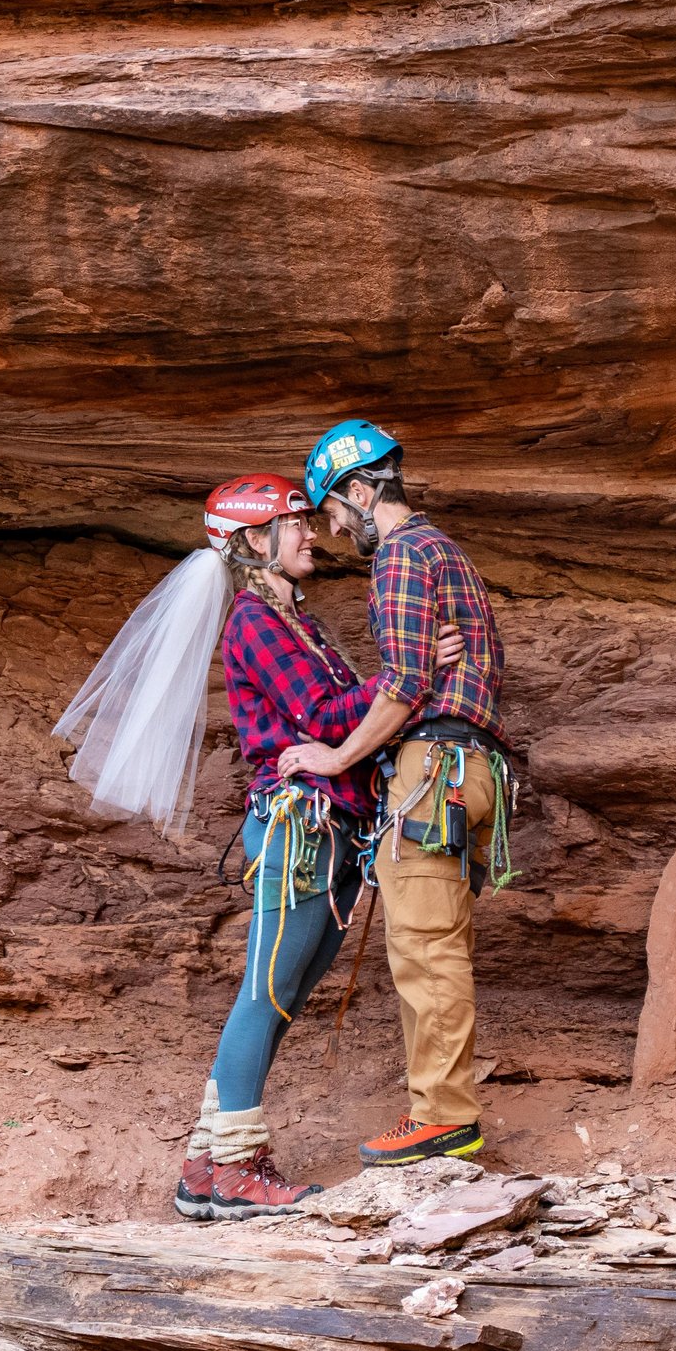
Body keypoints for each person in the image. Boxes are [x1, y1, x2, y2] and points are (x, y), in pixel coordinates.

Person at [52, 475, 463, 1221]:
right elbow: (326, 712)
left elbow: (338, 717)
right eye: (293, 524)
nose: (311, 533)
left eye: (307, 521)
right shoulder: (254, 622)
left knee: (280, 997)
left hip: (324, 829)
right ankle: (236, 1168)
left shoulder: (291, 619)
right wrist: (410, 671)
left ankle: (207, 1167)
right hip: (297, 829)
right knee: (266, 995)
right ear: (252, 541)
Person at [277, 420, 514, 1169]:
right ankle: (442, 1113)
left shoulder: (405, 554)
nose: (336, 530)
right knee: (437, 935)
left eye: (335, 511)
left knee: (423, 943)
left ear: (358, 489)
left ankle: (443, 1118)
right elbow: (448, 668)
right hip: (464, 768)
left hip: (434, 770)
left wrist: (336, 753)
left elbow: (407, 684)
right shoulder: (445, 553)